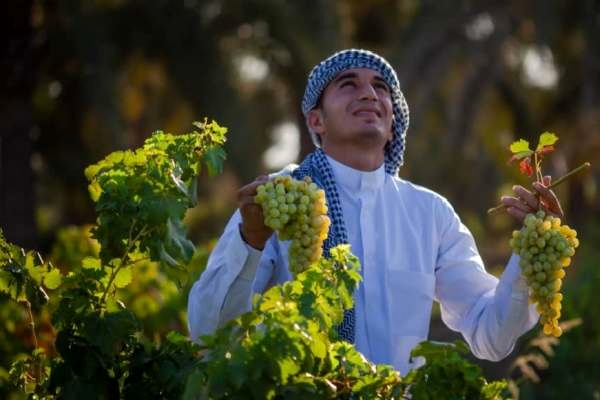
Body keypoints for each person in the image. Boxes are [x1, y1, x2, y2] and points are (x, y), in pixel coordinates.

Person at [187, 49, 563, 375]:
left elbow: (491, 335)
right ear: (316, 120)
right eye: (348, 84)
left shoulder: (429, 213)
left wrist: (531, 250)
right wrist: (250, 242)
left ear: (393, 119)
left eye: (381, 87)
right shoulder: (276, 200)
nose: (368, 93)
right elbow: (211, 334)